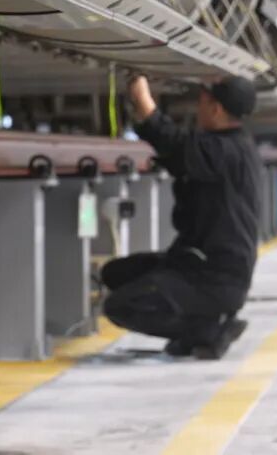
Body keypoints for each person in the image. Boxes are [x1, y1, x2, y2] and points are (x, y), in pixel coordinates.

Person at [101, 75, 262, 360]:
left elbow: (179, 147)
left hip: (215, 277)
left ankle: (207, 329)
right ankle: (202, 325)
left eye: (203, 102)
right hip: (195, 262)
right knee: (114, 274)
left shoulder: (226, 150)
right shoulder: (230, 147)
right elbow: (182, 155)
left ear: (216, 109)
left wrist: (144, 103)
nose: (197, 108)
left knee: (120, 306)